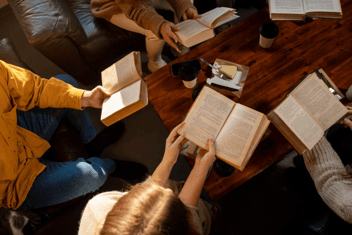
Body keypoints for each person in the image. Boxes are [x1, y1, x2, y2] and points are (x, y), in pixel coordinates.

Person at [0, 60, 148, 211]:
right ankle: (111, 166)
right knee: (91, 176)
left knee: (67, 82)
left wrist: (86, 97)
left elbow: (35, 89)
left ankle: (91, 144)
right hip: (14, 184)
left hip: (20, 135)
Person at [78, 122, 221, 235]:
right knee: (202, 216)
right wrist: (200, 169)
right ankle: (209, 217)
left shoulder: (98, 207)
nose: (170, 193)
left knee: (169, 186)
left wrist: (167, 161)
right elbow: (187, 218)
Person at [90, 0, 201, 73]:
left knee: (187, 3)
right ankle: (154, 62)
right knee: (154, 31)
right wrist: (159, 24)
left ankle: (181, 44)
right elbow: (133, 7)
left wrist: (185, 6)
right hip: (116, 4)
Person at [301, 105, 352, 223]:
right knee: (340, 133)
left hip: (336, 192)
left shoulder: (348, 206)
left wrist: (308, 130)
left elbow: (329, 178)